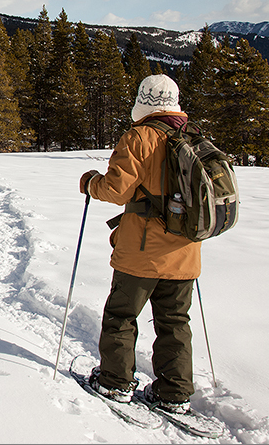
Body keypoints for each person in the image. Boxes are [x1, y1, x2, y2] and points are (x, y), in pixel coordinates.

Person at [78, 74, 199, 415]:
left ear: (144, 101)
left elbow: (116, 190)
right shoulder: (192, 136)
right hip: (185, 250)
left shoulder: (140, 137)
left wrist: (90, 183)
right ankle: (173, 393)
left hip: (142, 252)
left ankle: (114, 382)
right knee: (175, 321)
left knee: (121, 315)